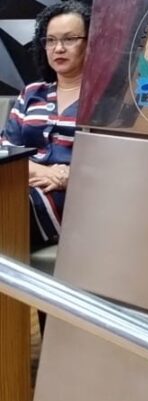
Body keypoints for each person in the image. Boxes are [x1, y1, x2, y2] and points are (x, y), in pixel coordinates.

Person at [0, 0, 91, 331]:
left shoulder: (105, 100)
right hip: (21, 184)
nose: (59, 48)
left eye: (70, 39)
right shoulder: (32, 94)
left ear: (91, 42)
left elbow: (112, 161)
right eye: (51, 40)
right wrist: (43, 172)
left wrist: (71, 176)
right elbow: (6, 150)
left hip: (73, 200)